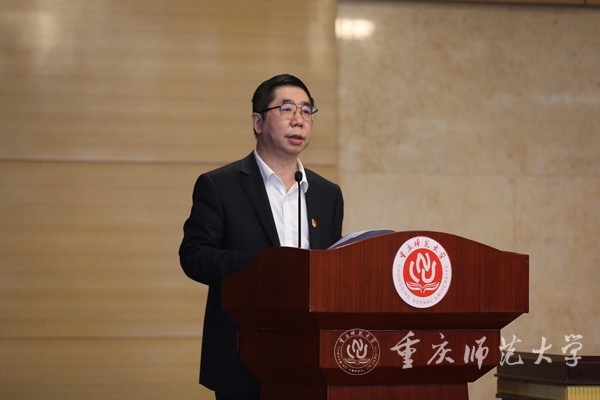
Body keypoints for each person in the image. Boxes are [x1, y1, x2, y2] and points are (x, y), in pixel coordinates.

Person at [179, 74, 344, 400]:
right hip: (242, 354)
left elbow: (330, 266)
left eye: (307, 111)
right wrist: (265, 266)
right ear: (258, 122)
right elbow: (195, 257)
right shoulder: (220, 185)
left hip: (311, 357)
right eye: (286, 109)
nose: (299, 120)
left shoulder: (327, 193)